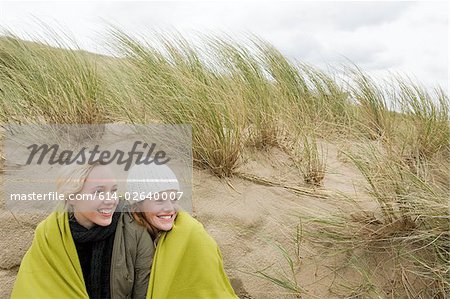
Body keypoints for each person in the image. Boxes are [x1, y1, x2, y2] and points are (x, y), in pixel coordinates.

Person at [11, 162, 154, 299]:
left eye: (114, 190)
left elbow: (145, 291)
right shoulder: (50, 235)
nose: (111, 200)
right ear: (72, 196)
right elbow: (33, 290)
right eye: (98, 192)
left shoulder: (134, 230)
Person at [127, 163, 238, 299]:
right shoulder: (130, 236)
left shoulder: (192, 235)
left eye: (173, 198)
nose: (169, 208)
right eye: (159, 200)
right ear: (138, 205)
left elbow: (211, 289)